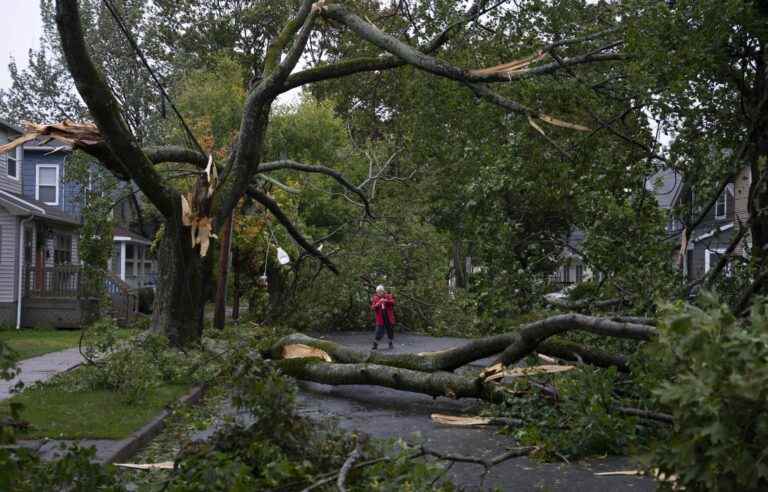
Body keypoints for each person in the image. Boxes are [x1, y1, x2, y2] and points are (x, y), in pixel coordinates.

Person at [371, 285, 396, 350]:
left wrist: (385, 301)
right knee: (379, 331)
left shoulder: (388, 296)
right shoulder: (375, 297)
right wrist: (379, 302)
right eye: (378, 292)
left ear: (383, 291)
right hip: (380, 318)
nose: (379, 293)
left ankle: (390, 344)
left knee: (390, 331)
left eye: (380, 292)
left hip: (388, 317)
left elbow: (393, 302)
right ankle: (375, 345)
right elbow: (373, 307)